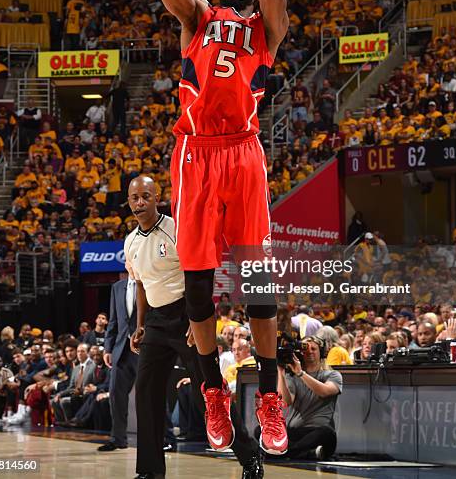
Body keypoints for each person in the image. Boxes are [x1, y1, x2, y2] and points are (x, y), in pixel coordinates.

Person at [150, 0, 289, 455]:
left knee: (258, 288)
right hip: (195, 152)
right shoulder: (199, 16)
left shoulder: (267, 29)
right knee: (201, 294)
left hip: (243, 153)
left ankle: (270, 397)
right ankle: (213, 393)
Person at [127, 176, 263, 479]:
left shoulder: (175, 228)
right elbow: (139, 284)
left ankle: (250, 456)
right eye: (134, 197)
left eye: (145, 196)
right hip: (155, 324)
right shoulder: (131, 241)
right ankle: (150, 471)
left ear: (157, 198)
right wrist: (139, 325)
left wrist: (196, 318)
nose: (139, 203)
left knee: (210, 389)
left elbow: (198, 273)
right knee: (146, 392)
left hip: (185, 314)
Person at [277, 336, 342, 460]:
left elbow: (324, 391)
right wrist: (281, 372)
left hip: (316, 432)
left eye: (314, 349)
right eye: (305, 349)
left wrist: (301, 373)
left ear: (321, 352)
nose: (309, 351)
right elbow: (285, 401)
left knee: (327, 433)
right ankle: (305, 454)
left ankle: (285, 452)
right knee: (260, 430)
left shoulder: (332, 375)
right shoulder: (292, 376)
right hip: (295, 431)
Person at [98, 260, 138, 451]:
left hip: (144, 349)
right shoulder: (117, 287)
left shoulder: (150, 284)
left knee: (154, 395)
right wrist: (107, 349)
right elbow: (113, 322)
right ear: (126, 263)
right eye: (130, 259)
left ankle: (166, 438)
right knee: (116, 395)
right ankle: (118, 439)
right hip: (121, 350)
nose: (133, 262)